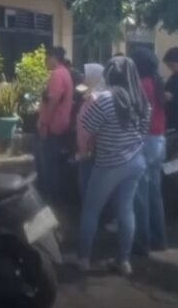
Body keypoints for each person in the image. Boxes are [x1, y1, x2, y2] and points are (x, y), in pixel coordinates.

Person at [68, 56, 150, 275]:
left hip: (108, 164)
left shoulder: (103, 99)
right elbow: (143, 132)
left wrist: (83, 151)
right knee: (126, 210)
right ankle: (123, 261)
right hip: (135, 162)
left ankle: (83, 259)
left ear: (109, 74)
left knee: (91, 211)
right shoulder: (142, 101)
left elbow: (86, 128)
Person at [130, 47, 167, 254]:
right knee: (155, 193)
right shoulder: (157, 82)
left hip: (144, 140)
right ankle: (159, 239)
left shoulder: (141, 85)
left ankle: (142, 244)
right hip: (159, 140)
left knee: (140, 196)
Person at [35, 47, 74, 200]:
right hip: (61, 123)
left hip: (53, 124)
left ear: (53, 58)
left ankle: (49, 196)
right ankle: (54, 194)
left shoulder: (57, 74)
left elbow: (53, 101)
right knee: (53, 162)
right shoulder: (65, 73)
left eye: (46, 58)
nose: (45, 62)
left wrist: (44, 122)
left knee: (47, 162)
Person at [75, 63, 105, 200]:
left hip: (90, 148)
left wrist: (85, 147)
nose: (83, 77)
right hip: (89, 146)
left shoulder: (96, 98)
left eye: (86, 75)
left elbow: (91, 126)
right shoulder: (93, 94)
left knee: (89, 183)